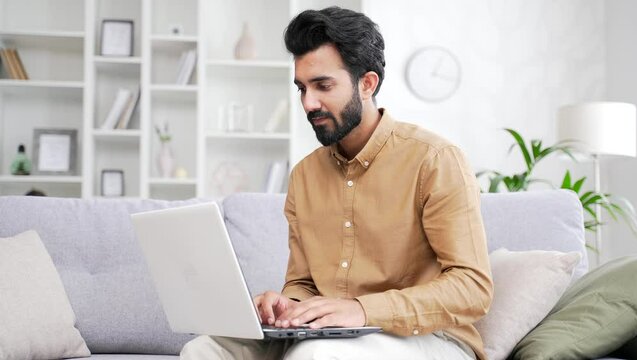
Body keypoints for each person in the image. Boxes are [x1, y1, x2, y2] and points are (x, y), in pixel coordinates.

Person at [181, 6, 493, 360]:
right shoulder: (304, 176)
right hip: (329, 335)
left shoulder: (435, 159)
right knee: (203, 349)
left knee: (315, 355)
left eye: (323, 86)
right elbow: (302, 282)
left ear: (367, 83)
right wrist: (288, 305)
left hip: (430, 339)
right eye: (301, 88)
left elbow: (472, 288)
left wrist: (362, 309)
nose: (308, 103)